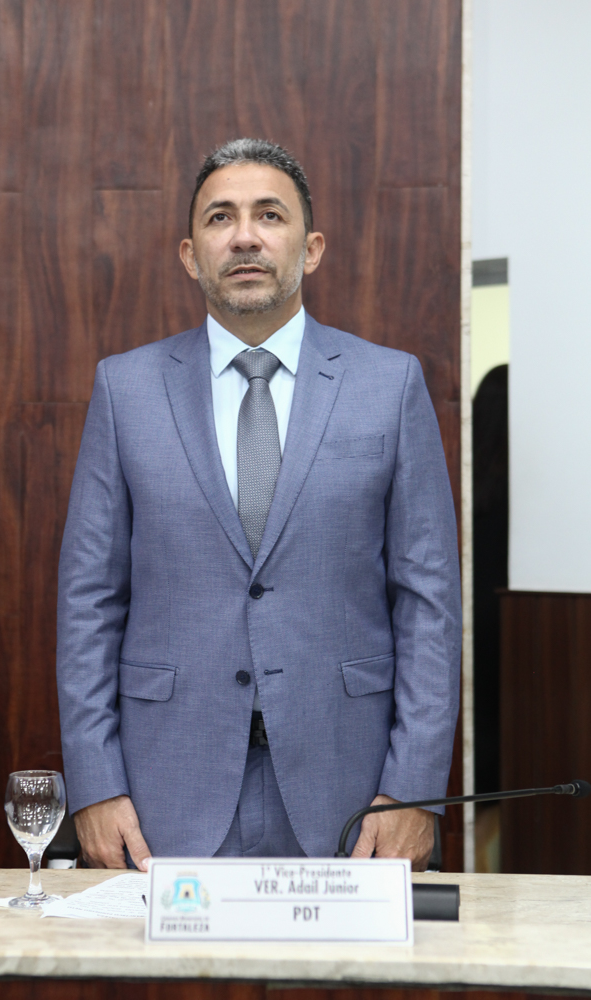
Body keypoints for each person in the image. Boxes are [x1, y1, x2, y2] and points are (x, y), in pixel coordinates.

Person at [57, 138, 461, 871]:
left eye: (269, 215)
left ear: (311, 249)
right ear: (190, 255)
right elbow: (90, 601)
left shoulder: (389, 384)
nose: (244, 236)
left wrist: (414, 792)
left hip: (352, 791)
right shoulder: (125, 389)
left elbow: (428, 604)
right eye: (220, 217)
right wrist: (96, 785)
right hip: (162, 792)